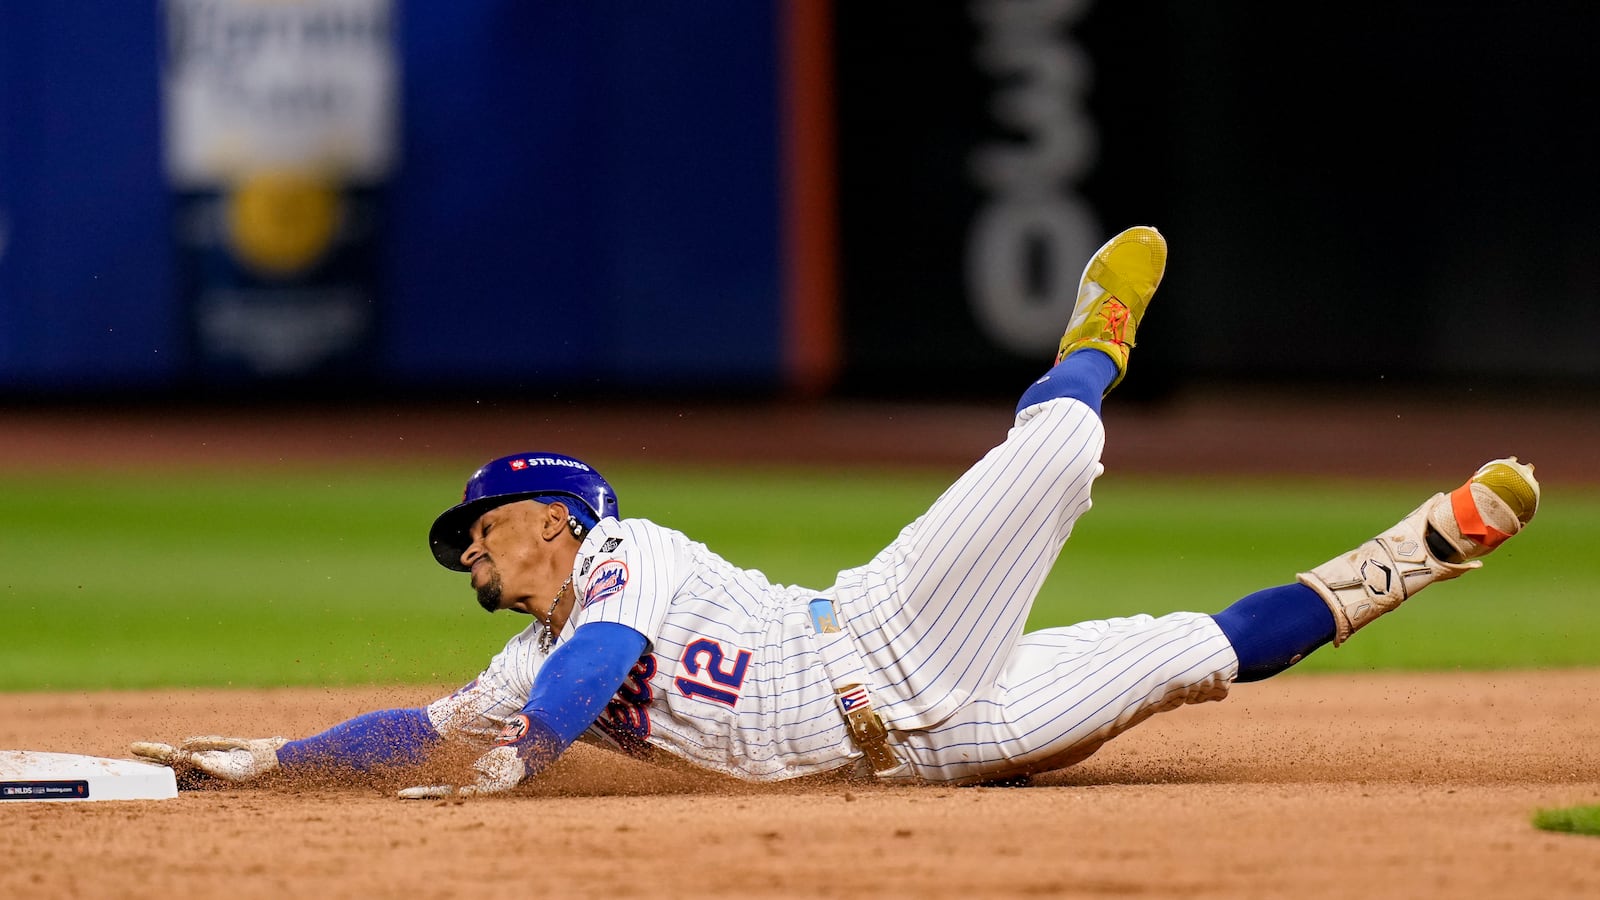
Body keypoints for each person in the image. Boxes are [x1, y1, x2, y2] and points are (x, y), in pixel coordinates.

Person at [131, 226, 1541, 794]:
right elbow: (420, 728)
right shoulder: (528, 658)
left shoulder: (625, 561)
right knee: (1191, 656)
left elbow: (591, 676)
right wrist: (273, 763)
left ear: (553, 521)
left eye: (482, 530)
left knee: (1053, 463)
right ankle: (1418, 551)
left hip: (875, 629)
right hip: (923, 754)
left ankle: (1097, 337)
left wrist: (523, 762)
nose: (473, 553)